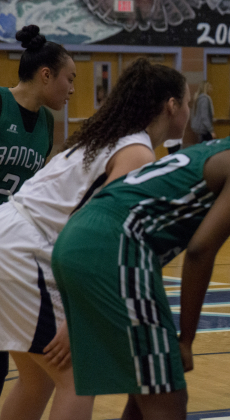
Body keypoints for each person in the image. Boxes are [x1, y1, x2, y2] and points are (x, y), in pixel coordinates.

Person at [51, 67, 230, 418]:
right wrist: (186, 340)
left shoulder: (211, 149)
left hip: (79, 238)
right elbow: (199, 250)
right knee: (168, 394)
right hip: (113, 244)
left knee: (146, 389)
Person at [0, 58, 189, 420]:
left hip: (12, 239)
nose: (189, 112)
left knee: (38, 378)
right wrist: (77, 320)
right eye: (188, 103)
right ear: (171, 105)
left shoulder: (106, 137)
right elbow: (106, 237)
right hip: (25, 249)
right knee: (78, 374)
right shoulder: (136, 152)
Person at [0, 24, 74, 399]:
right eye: (69, 79)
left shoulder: (47, 122)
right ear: (46, 75)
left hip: (10, 245)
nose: (72, 89)